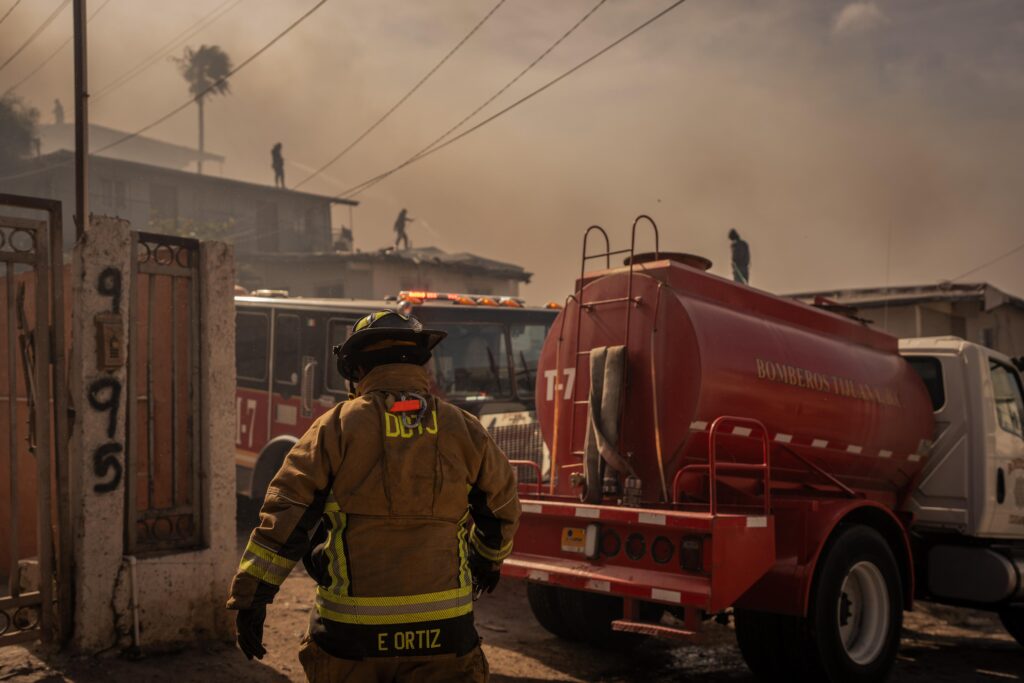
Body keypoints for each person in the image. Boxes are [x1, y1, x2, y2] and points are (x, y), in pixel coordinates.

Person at [227, 310, 520, 682]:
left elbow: (285, 514)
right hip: (445, 635)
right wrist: (487, 561)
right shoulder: (465, 429)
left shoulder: (334, 428)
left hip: (351, 638)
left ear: (355, 370)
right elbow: (504, 506)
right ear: (420, 362)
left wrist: (252, 600)